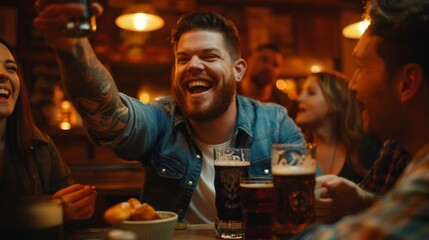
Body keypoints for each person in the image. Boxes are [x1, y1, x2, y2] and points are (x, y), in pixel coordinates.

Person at [33, 4, 306, 224]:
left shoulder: (276, 123)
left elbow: (307, 203)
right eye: (183, 58)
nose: (193, 65)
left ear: (238, 70)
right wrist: (74, 48)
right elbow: (108, 116)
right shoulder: (161, 119)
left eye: (209, 56)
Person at [295, 0, 429, 238]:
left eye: (361, 66)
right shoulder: (396, 146)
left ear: (407, 83)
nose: (352, 84)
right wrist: (361, 200)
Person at [0, 37, 97, 235]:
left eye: (11, 68)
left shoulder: (40, 145)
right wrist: (51, 211)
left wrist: (79, 207)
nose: (3, 74)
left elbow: (72, 222)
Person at [295, 71, 381, 183]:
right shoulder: (294, 150)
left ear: (335, 102)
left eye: (311, 93)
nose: (299, 98)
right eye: (302, 92)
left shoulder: (367, 148)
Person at [238, 43, 298, 119]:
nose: (269, 67)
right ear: (249, 60)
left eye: (275, 65)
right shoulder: (229, 95)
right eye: (264, 59)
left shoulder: (286, 105)